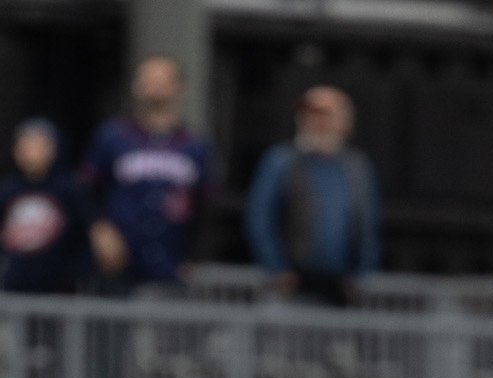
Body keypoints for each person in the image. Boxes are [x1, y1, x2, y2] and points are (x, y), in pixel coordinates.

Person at [78, 57, 215, 289]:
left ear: (179, 87)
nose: (155, 87)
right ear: (136, 86)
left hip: (171, 263)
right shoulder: (113, 136)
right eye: (149, 80)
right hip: (117, 263)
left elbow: (206, 206)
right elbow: (83, 192)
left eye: (163, 80)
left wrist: (196, 257)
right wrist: (99, 229)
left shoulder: (195, 145)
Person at [245, 85, 382, 305]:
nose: (317, 122)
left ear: (345, 122)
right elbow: (260, 219)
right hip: (291, 285)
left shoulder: (357, 167)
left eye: (325, 115)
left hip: (341, 287)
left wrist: (360, 274)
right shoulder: (281, 161)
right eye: (309, 115)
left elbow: (368, 226)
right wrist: (276, 268)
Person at [0, 120, 90, 295]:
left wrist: (79, 273)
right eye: (25, 145)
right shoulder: (4, 191)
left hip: (58, 290)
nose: (31, 152)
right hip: (13, 285)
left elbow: (84, 235)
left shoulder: (70, 191)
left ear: (53, 149)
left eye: (38, 145)